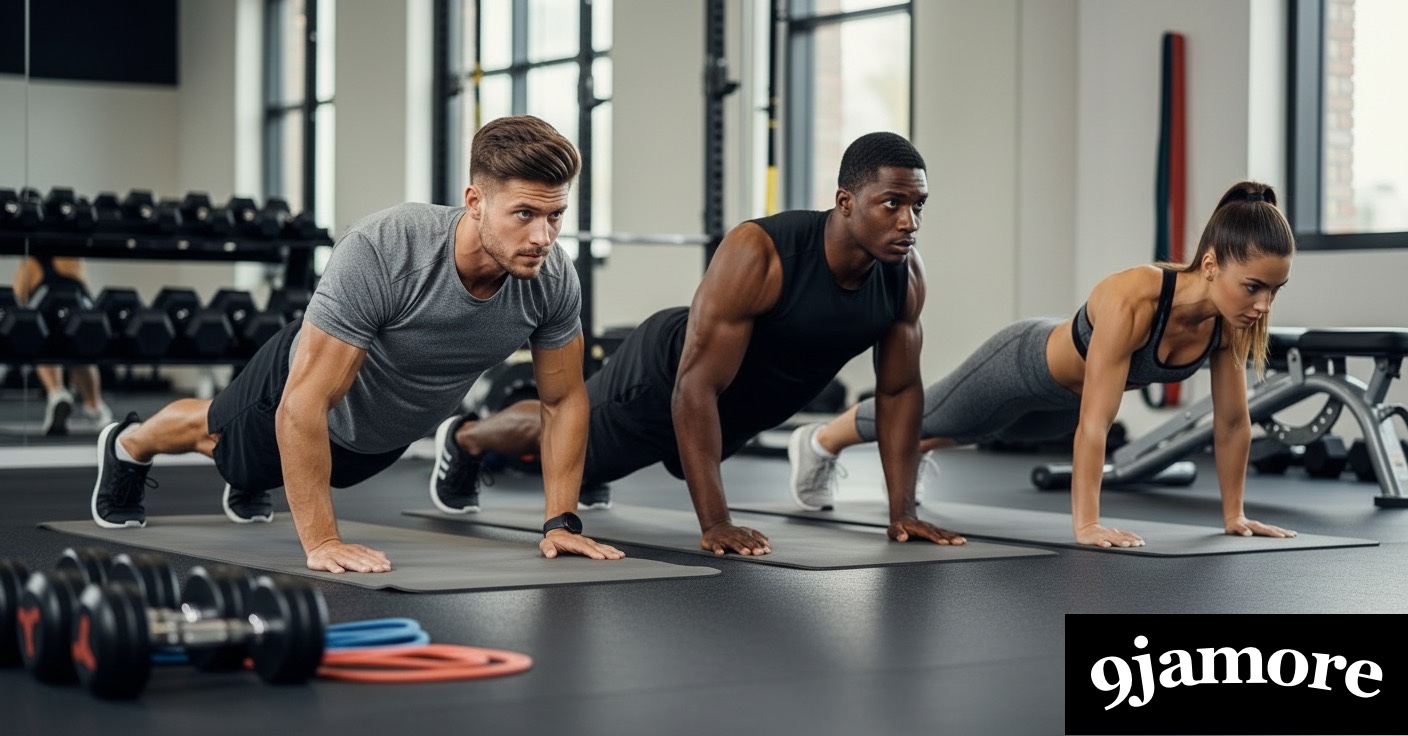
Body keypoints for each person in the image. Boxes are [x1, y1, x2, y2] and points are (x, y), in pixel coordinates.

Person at [88, 115, 624, 573]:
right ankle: (129, 443)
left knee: (314, 471)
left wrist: (561, 521)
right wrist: (322, 541)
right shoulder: (386, 249)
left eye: (555, 216)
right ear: (475, 201)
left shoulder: (552, 278)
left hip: (378, 435)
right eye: (525, 214)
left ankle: (265, 476)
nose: (543, 237)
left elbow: (562, 400)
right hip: (300, 386)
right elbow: (304, 403)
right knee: (228, 450)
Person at [432, 131, 966, 556]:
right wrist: (715, 523)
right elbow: (695, 386)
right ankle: (468, 438)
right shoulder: (762, 252)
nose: (909, 222)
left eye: (918, 205)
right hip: (666, 375)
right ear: (846, 202)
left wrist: (904, 513)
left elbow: (898, 394)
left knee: (601, 461)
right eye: (892, 203)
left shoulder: (904, 275)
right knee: (578, 447)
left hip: (737, 407)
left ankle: (591, 467)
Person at [788, 180, 1299, 549]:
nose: (1263, 305)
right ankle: (818, 441)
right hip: (1023, 364)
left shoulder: (1229, 324)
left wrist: (1235, 515)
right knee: (934, 413)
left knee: (978, 430)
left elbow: (1233, 423)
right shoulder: (1137, 295)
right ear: (1210, 264)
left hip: (1061, 405)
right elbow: (1097, 422)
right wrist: (1088, 525)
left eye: (1274, 290)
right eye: (1253, 286)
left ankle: (915, 451)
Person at [11, 255, 114, 436]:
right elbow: (85, 294)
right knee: (77, 346)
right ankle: (96, 407)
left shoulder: (32, 261)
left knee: (40, 339)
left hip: (47, 313)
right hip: (77, 312)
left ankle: (57, 394)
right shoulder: (74, 259)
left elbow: (16, 299)